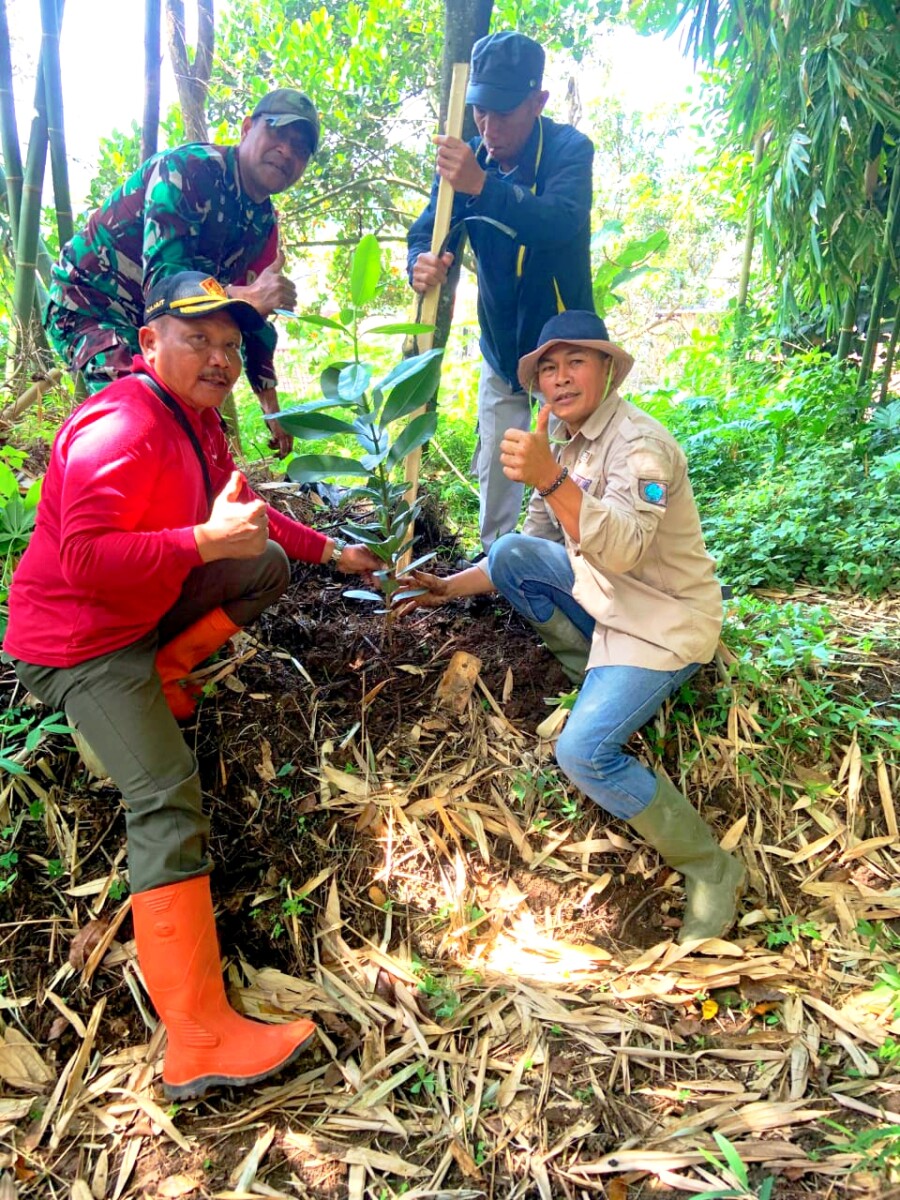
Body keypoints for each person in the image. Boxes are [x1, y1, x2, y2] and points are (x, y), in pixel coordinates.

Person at [4, 272, 380, 1099]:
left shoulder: (198, 423)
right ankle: (198, 1038)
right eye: (197, 338)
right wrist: (202, 544)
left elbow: (245, 519)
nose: (218, 358)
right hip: (80, 645)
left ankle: (167, 675)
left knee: (267, 563)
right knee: (168, 798)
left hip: (141, 619)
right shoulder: (121, 425)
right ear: (148, 344)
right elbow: (83, 562)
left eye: (230, 345)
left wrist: (330, 553)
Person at [401, 310, 745, 944]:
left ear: (607, 369)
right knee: (508, 555)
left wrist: (550, 477)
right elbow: (529, 545)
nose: (559, 380)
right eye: (548, 369)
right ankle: (587, 671)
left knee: (583, 752)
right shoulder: (564, 442)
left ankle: (712, 867)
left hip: (662, 624)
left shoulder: (642, 448)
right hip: (606, 606)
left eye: (575, 363)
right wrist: (447, 588)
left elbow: (625, 551)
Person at [45, 87, 321, 457]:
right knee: (143, 421)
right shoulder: (188, 170)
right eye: (277, 132)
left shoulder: (263, 224)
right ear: (246, 128)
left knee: (204, 447)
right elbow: (164, 285)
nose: (287, 151)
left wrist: (273, 410)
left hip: (167, 335)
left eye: (301, 148)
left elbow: (253, 322)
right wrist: (245, 296)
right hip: (89, 307)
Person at [407, 31, 594, 553]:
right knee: (497, 464)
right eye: (480, 112)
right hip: (499, 351)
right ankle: (495, 569)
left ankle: (568, 568)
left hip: (562, 353)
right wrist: (419, 263)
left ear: (537, 102)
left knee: (570, 464)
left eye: (504, 112)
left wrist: (482, 188)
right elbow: (428, 229)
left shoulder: (568, 151)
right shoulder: (469, 166)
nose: (488, 128)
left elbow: (560, 221)